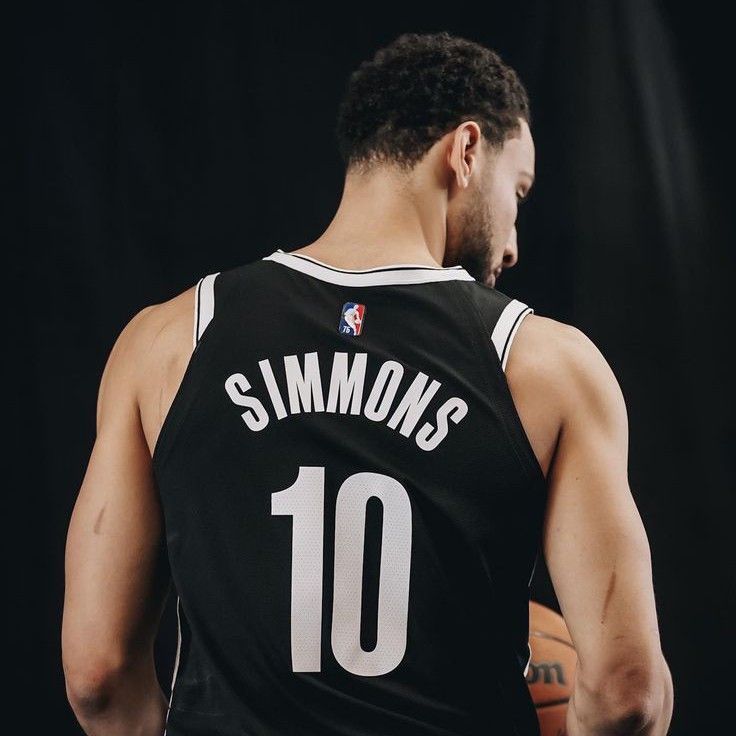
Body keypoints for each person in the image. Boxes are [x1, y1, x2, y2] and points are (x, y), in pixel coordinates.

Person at [62, 31, 673, 736]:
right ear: (467, 150)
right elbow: (628, 691)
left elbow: (97, 676)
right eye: (520, 192)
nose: (512, 243)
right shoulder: (546, 365)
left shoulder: (166, 341)